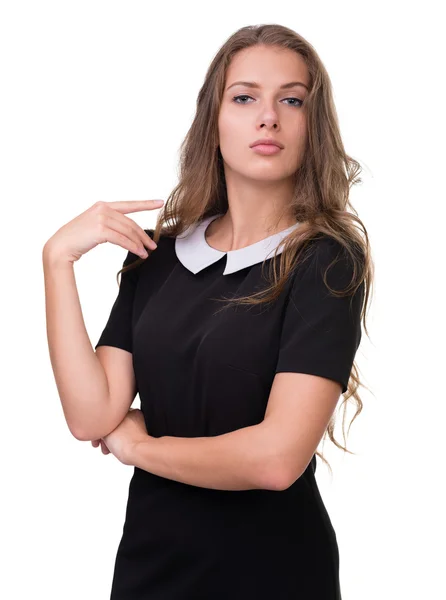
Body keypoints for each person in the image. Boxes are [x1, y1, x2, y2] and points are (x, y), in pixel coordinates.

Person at [43, 24, 373, 600]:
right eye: (244, 97)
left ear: (310, 127)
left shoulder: (325, 260)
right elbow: (91, 415)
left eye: (290, 100)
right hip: (152, 565)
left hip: (272, 572)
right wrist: (56, 262)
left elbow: (276, 459)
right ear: (213, 121)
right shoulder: (158, 256)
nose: (267, 117)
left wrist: (141, 447)